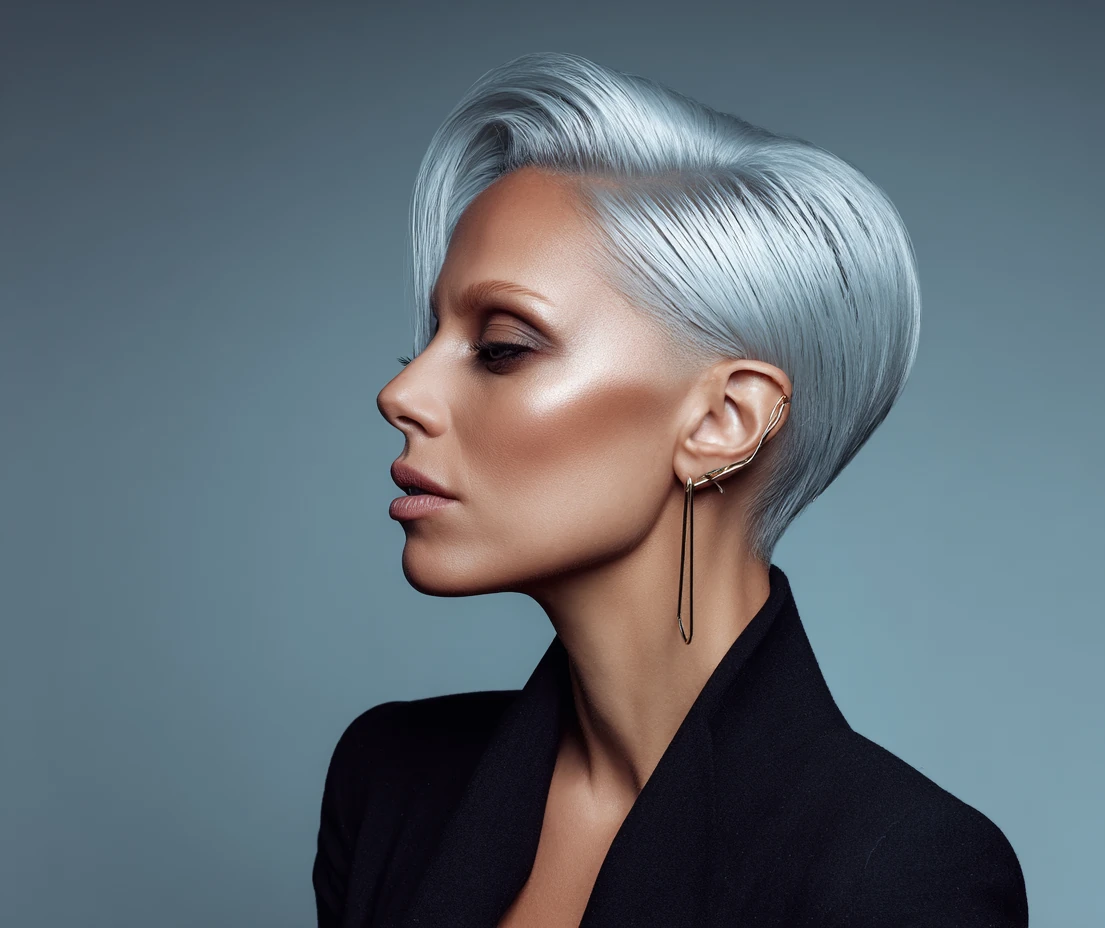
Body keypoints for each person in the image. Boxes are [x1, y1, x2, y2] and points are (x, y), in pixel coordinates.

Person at [313, 51, 1028, 927]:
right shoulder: (389, 782)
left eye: (500, 348)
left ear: (722, 422)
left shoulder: (898, 874)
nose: (401, 394)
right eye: (429, 338)